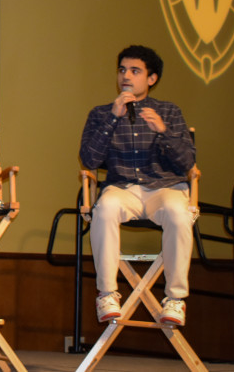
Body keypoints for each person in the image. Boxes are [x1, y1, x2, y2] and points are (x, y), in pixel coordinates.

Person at [80, 45, 196, 327]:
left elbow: (187, 163)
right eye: (122, 70)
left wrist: (164, 132)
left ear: (151, 79)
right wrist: (112, 118)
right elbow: (89, 159)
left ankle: (175, 299)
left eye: (135, 71)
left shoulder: (169, 112)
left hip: (165, 188)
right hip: (123, 188)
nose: (126, 77)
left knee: (180, 214)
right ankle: (107, 294)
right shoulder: (101, 113)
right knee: (104, 208)